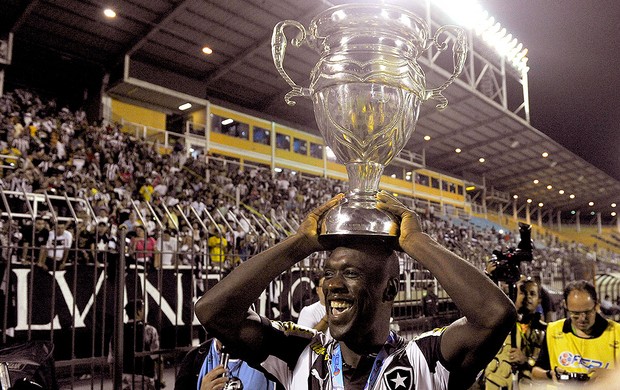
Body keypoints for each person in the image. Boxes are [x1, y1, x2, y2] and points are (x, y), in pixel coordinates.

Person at [195, 192, 516, 389]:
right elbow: (213, 311)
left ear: (389, 290)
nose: (332, 285)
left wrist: (415, 241)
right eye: (328, 273)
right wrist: (300, 243)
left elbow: (495, 315)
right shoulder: (299, 354)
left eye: (350, 273)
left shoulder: (424, 360)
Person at [532, 280, 620, 383]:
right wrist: (549, 374)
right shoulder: (553, 330)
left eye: (587, 312)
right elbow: (535, 372)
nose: (582, 318)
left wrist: (611, 375)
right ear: (565, 305)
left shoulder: (616, 332)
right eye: (575, 314)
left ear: (596, 305)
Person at [483, 278, 547, 389]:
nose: (528, 297)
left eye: (532, 293)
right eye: (522, 292)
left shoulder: (546, 331)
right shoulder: (500, 323)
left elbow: (548, 367)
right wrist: (489, 276)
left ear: (539, 300)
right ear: (513, 295)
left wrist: (525, 360)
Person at [109, 299, 160, 390]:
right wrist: (159, 379)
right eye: (143, 309)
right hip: (144, 377)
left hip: (123, 378)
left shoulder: (118, 332)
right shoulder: (149, 330)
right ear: (138, 311)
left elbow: (112, 359)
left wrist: (115, 380)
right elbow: (156, 357)